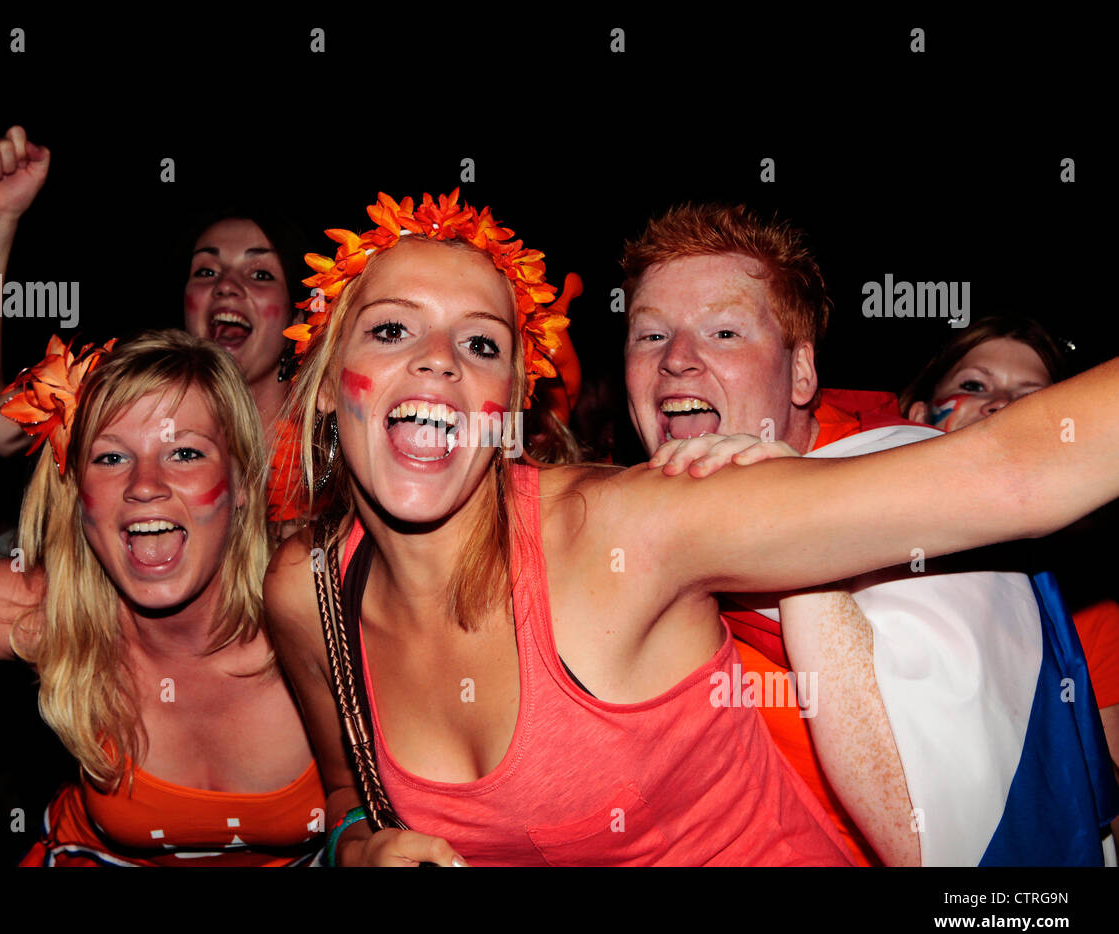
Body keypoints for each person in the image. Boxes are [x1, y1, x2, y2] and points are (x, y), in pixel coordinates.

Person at [262, 189, 1119, 866]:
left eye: (481, 345)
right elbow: (347, 795)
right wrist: (355, 847)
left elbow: (1018, 470)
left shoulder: (634, 527)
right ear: (331, 378)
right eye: (390, 329)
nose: (438, 359)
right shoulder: (306, 595)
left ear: (515, 402)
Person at [622, 205, 1117, 865]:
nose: (678, 361)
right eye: (650, 336)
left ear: (801, 374)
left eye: (724, 331)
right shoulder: (610, 518)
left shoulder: (909, 480)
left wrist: (786, 525)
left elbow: (943, 836)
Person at [0, 331, 324, 865]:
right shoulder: (48, 608)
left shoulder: (320, 605)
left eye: (183, 452)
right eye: (110, 458)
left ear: (242, 480)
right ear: (75, 488)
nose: (145, 484)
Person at [0, 125, 309, 524]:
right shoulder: (130, 405)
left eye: (261, 274)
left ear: (298, 316)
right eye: (206, 270)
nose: (226, 287)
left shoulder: (339, 436)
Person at [900, 313, 1119, 780]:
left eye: (1032, 399)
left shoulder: (1086, 607)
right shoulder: (847, 541)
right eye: (975, 386)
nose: (1002, 406)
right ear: (919, 416)